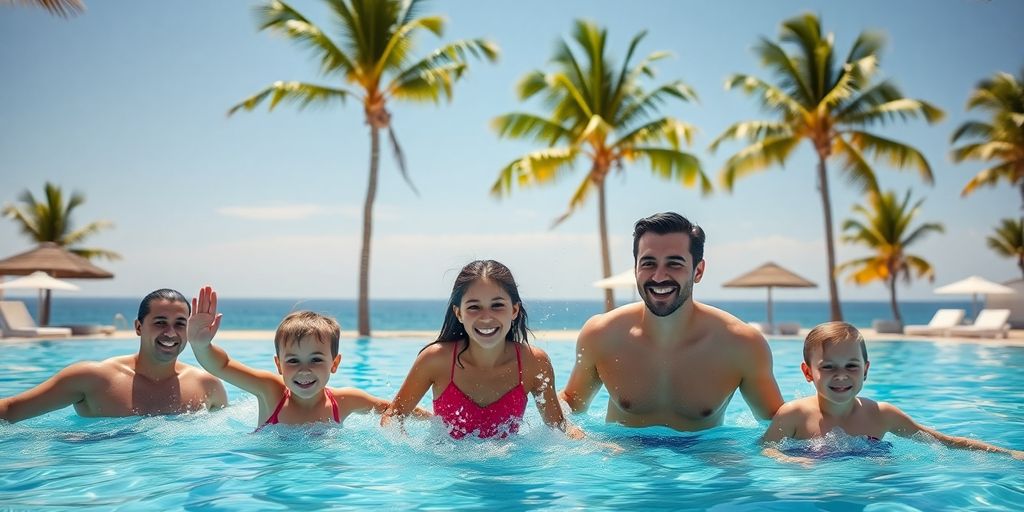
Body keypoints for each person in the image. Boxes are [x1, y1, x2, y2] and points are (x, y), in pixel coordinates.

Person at [559, 212, 784, 431]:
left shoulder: (740, 344)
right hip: (624, 456)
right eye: (648, 263)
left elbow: (777, 422)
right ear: (635, 267)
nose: (658, 277)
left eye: (674, 264)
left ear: (698, 271)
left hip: (703, 459)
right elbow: (571, 404)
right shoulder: (602, 334)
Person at [761, 321, 1024, 461]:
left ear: (865, 369)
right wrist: (793, 463)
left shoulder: (882, 415)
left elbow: (942, 442)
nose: (841, 375)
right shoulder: (794, 415)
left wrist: (1010, 454)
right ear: (808, 372)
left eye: (851, 366)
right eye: (828, 367)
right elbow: (765, 450)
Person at [382, 260, 583, 439]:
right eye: (474, 307)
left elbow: (559, 428)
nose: (486, 317)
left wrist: (596, 447)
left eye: (497, 305)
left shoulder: (533, 362)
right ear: (459, 313)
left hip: (511, 474)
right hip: (447, 474)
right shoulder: (436, 360)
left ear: (514, 310)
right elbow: (393, 418)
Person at [0, 289, 228, 422]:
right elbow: (11, 410)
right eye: (160, 323)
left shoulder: (207, 386)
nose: (170, 333)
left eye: (180, 324)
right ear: (138, 327)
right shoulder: (93, 379)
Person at [188, 286, 397, 430]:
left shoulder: (345, 401)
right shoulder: (271, 393)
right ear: (278, 365)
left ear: (334, 364)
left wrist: (430, 417)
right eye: (293, 361)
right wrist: (201, 345)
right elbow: (223, 366)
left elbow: (394, 409)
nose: (304, 370)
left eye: (315, 360)